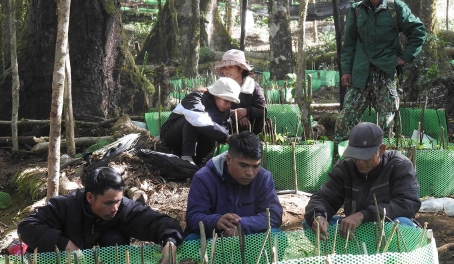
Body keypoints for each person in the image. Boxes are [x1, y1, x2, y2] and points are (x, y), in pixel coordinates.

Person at [17, 167, 183, 263]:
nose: (115, 208)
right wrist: (63, 244)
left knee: (113, 238)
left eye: (118, 201)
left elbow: (159, 222)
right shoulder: (65, 206)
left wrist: (170, 241)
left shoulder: (122, 207)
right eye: (108, 203)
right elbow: (27, 227)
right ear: (90, 197)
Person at [304, 122, 421, 240]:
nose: (360, 162)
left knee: (403, 224)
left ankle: (394, 258)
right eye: (355, 155)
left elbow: (408, 204)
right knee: (310, 224)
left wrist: (364, 215)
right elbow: (325, 197)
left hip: (385, 227)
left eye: (365, 156)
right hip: (354, 231)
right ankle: (339, 257)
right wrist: (318, 215)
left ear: (381, 150)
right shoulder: (345, 168)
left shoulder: (399, 165)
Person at [335, 0, 426, 141]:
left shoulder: (395, 7)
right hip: (360, 73)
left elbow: (418, 31)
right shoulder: (357, 9)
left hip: (385, 72)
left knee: (387, 121)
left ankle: (384, 156)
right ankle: (346, 156)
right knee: (346, 118)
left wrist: (405, 57)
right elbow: (349, 42)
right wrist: (346, 70)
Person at [184, 131, 283, 240]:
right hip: (213, 238)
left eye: (255, 166)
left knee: (277, 236)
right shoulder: (203, 178)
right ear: (229, 159)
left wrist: (241, 226)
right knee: (192, 239)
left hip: (250, 236)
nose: (250, 173)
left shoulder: (263, 177)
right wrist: (216, 222)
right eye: (243, 165)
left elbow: (274, 215)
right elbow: (193, 218)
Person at [160, 77, 241, 166]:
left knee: (212, 133)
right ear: (216, 95)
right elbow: (197, 118)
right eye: (226, 101)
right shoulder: (196, 98)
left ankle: (196, 160)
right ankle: (186, 157)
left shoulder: (226, 112)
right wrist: (225, 136)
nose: (229, 105)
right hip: (172, 138)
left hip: (196, 146)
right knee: (195, 121)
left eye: (231, 102)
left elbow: (220, 130)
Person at [214, 49, 267, 135]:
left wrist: (247, 111)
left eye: (231, 67)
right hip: (227, 131)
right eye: (224, 68)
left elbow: (262, 110)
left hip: (253, 131)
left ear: (241, 69)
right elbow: (214, 108)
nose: (227, 71)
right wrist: (236, 115)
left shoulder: (253, 86)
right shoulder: (220, 86)